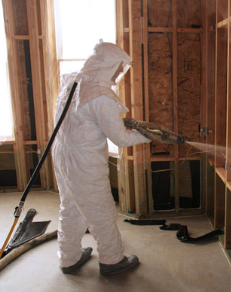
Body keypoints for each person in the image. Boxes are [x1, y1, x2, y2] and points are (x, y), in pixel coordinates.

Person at [52, 40, 151, 275]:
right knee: (100, 209)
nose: (119, 73)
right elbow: (121, 139)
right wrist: (148, 136)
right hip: (84, 160)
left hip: (62, 152)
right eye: (118, 68)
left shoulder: (73, 80)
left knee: (71, 206)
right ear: (107, 65)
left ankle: (69, 258)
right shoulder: (101, 96)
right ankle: (112, 259)